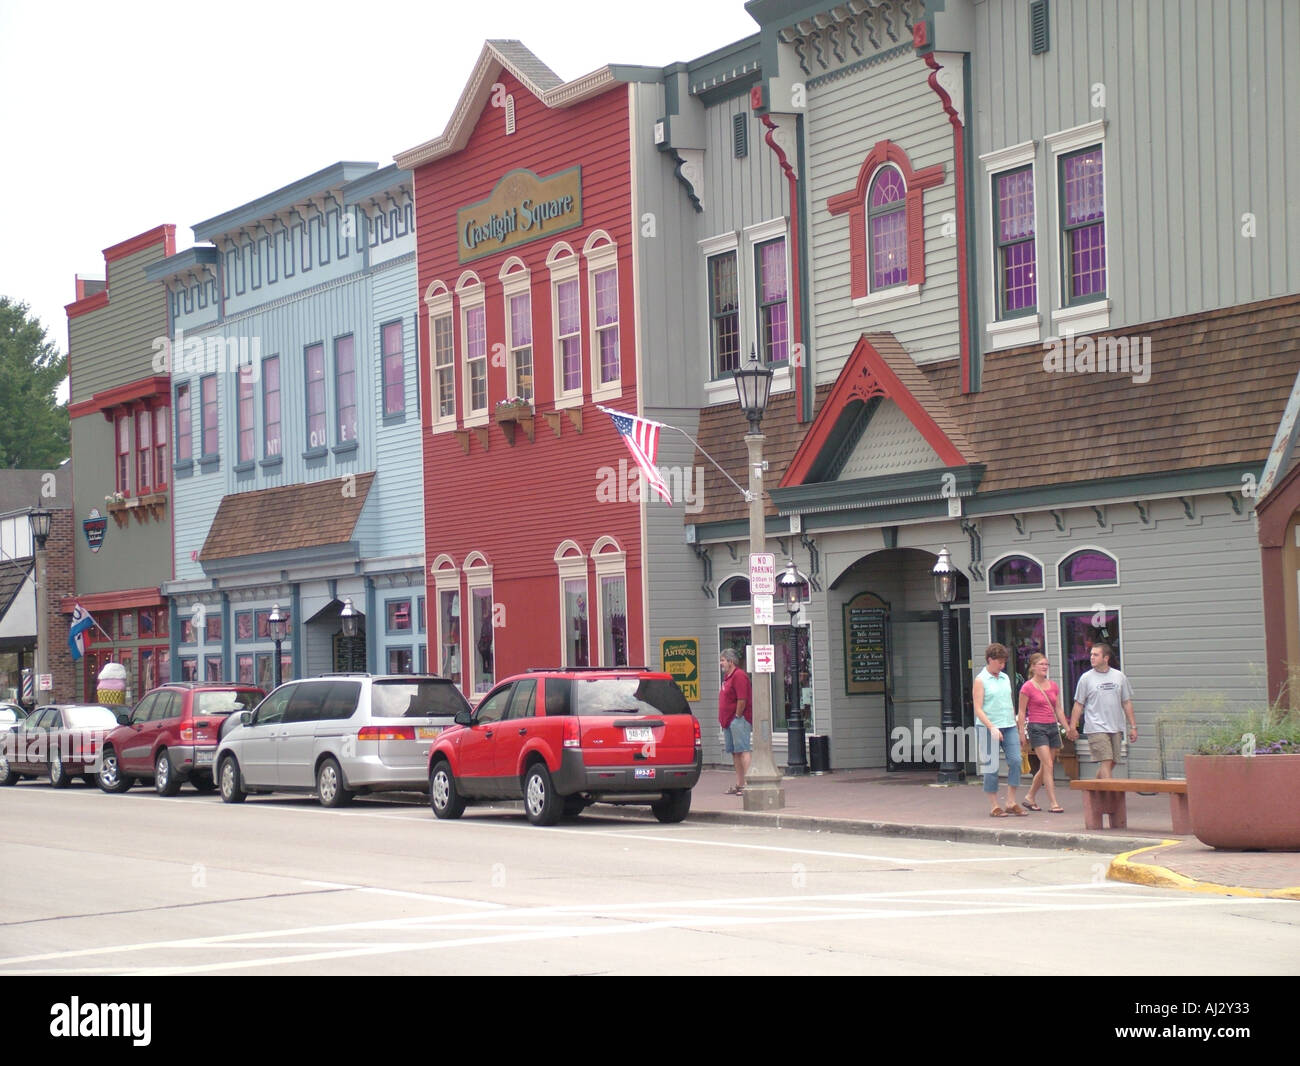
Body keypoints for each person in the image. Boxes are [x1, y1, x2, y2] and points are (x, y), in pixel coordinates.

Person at [973, 643, 1026, 816]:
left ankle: (1011, 801)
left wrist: (1019, 727)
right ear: (990, 660)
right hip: (988, 727)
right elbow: (978, 708)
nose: (1002, 666)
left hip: (1008, 724)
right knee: (991, 766)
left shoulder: (1005, 678)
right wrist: (991, 727)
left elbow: (1009, 703)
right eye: (999, 662)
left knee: (1016, 761)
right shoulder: (981, 680)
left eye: (1004, 663)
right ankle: (994, 805)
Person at [1017, 653, 1075, 813]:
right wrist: (1021, 733)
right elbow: (1021, 712)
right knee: (1048, 765)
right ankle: (1054, 803)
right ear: (1033, 667)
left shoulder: (1053, 686)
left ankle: (1029, 797)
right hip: (1036, 727)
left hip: (1052, 727)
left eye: (1046, 664)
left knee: (1045, 766)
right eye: (1041, 664)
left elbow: (1058, 709)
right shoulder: (1027, 687)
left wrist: (1068, 727)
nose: (1044, 667)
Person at [1070, 642, 1136, 779]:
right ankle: (1110, 794)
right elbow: (1078, 704)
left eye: (1096, 655)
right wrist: (1072, 726)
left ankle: (1096, 788)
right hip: (1096, 726)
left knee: (1112, 761)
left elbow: (1126, 702)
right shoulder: (1086, 678)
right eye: (1091, 654)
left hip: (1115, 725)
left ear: (1106, 658)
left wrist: (1133, 726)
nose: (1091, 657)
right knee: (1106, 760)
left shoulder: (1119, 676)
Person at [719, 648, 752, 795]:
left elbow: (742, 699)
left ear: (731, 661)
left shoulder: (739, 676)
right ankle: (740, 784)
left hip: (738, 720)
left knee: (743, 750)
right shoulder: (727, 678)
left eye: (723, 660)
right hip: (727, 721)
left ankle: (748, 785)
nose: (721, 663)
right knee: (734, 753)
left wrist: (737, 716)